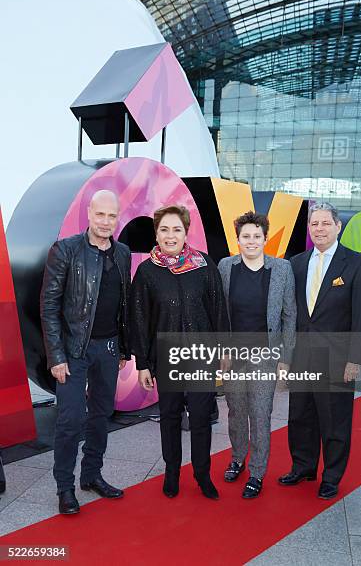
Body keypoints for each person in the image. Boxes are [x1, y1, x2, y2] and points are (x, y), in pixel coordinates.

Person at [40, 190, 131, 515]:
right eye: (100, 214)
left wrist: (124, 347)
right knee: (70, 420)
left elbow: (124, 304)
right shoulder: (66, 250)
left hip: (108, 348)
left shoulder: (121, 253)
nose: (106, 221)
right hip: (73, 350)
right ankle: (65, 487)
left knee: (101, 415)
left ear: (117, 217)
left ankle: (91, 475)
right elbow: (49, 305)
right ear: (89, 213)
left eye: (112, 216)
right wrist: (56, 356)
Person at [278, 201, 361, 500]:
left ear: (338, 226)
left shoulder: (357, 264)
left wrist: (356, 359)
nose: (319, 229)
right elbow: (288, 313)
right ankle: (303, 466)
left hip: (337, 357)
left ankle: (331, 475)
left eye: (325, 223)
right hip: (301, 355)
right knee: (300, 415)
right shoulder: (296, 263)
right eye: (314, 224)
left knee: (334, 418)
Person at [130, 205, 228, 500]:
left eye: (176, 230)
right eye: (164, 230)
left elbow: (218, 310)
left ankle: (202, 474)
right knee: (170, 415)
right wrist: (143, 364)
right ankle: (172, 472)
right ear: (156, 233)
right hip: (167, 357)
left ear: (186, 232)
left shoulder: (204, 265)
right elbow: (138, 319)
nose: (170, 236)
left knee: (200, 417)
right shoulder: (147, 272)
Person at [218, 211, 296, 498]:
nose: (251, 241)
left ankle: (258, 471)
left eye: (256, 236)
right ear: (237, 240)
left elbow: (290, 315)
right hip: (233, 355)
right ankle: (238, 458)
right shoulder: (226, 267)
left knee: (260, 414)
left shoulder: (281, 269)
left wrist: (285, 359)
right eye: (245, 236)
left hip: (265, 355)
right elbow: (220, 313)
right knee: (236, 411)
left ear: (265, 239)